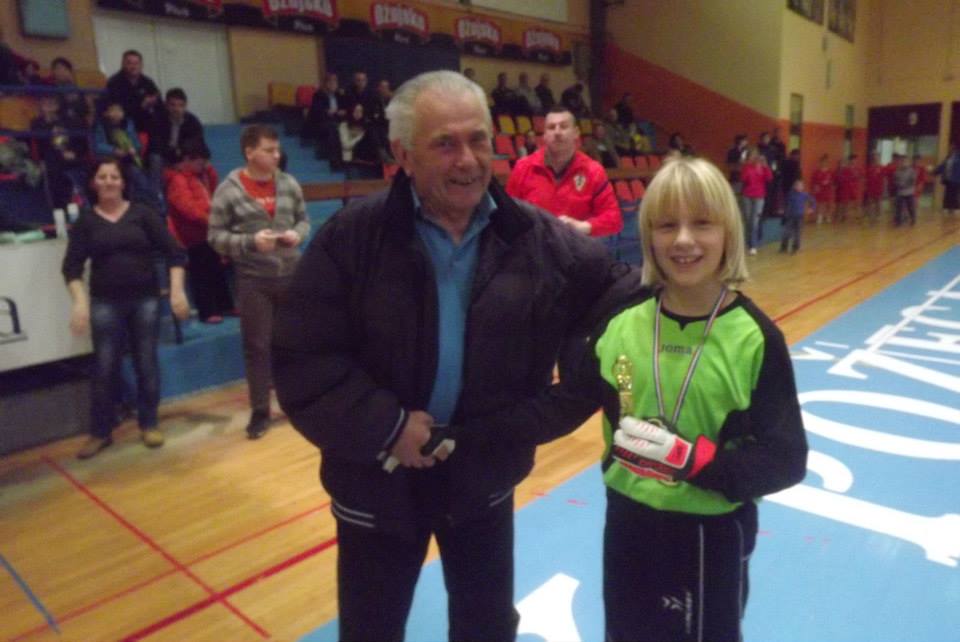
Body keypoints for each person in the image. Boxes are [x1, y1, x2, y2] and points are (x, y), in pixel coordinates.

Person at [271, 70, 618, 642]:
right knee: (371, 631)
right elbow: (303, 359)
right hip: (377, 480)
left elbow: (617, 292)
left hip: (481, 476)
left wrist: (561, 402)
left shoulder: (531, 235)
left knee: (487, 627)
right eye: (445, 144)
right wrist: (388, 427)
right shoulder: (351, 239)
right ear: (404, 155)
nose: (468, 160)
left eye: (478, 139)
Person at [566, 156, 807, 642]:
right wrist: (475, 435)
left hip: (709, 533)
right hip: (627, 520)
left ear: (728, 232)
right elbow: (567, 403)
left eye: (701, 223)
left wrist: (693, 462)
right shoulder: (621, 322)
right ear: (648, 235)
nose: (683, 240)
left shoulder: (755, 339)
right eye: (666, 225)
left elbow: (786, 460)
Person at [62, 158, 189, 459]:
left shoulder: (143, 215)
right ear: (93, 183)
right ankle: (100, 432)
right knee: (105, 367)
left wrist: (177, 291)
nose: (108, 181)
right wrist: (80, 303)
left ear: (123, 182)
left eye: (114, 176)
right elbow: (71, 268)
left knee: (146, 363)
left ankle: (149, 423)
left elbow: (175, 254)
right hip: (104, 303)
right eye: (102, 176)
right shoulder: (85, 222)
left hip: (145, 301)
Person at [208, 125, 309, 439]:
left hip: (291, 274)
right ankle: (260, 411)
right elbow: (215, 237)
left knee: (294, 343)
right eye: (269, 150)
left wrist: (297, 234)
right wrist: (250, 242)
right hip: (254, 280)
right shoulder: (228, 190)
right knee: (258, 347)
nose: (276, 155)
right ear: (249, 152)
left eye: (277, 150)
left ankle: (297, 402)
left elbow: (303, 220)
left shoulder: (288, 183)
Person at [506, 106, 622, 237]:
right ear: (544, 135)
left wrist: (583, 227)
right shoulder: (522, 168)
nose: (557, 132)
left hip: (577, 247)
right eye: (551, 127)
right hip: (534, 247)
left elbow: (614, 219)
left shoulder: (593, 171)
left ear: (576, 133)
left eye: (563, 126)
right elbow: (508, 215)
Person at [165, 138, 233, 323]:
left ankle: (225, 305)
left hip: (207, 232)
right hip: (192, 236)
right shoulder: (178, 180)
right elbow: (187, 208)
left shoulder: (200, 176)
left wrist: (208, 170)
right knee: (202, 274)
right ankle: (208, 310)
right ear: (187, 160)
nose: (203, 166)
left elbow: (214, 188)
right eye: (200, 162)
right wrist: (210, 220)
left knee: (217, 269)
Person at [30, 94, 87, 208]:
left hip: (72, 155)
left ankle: (77, 203)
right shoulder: (37, 122)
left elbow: (81, 141)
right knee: (53, 167)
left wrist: (74, 152)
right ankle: (59, 208)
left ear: (58, 104)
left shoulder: (69, 121)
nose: (48, 105)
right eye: (45, 102)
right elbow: (40, 144)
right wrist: (49, 122)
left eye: (52, 102)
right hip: (51, 158)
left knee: (77, 170)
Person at [147, 88, 205, 169]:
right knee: (155, 158)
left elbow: (198, 143)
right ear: (166, 105)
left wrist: (183, 155)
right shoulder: (157, 120)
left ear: (185, 106)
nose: (176, 109)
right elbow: (155, 145)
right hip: (164, 157)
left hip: (184, 157)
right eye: (172, 105)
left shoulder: (193, 122)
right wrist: (174, 153)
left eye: (181, 105)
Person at [105, 50, 161, 134]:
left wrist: (154, 100)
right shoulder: (114, 82)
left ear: (141, 65)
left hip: (147, 125)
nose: (133, 66)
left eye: (136, 63)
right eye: (129, 63)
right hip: (123, 127)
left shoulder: (147, 81)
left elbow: (157, 98)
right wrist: (141, 105)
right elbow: (115, 109)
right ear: (123, 64)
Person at [305, 72, 346, 168]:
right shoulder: (319, 95)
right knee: (333, 129)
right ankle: (334, 160)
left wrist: (341, 112)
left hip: (337, 120)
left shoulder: (339, 95)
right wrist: (328, 112)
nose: (333, 84)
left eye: (335, 82)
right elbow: (316, 112)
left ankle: (347, 160)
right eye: (331, 82)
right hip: (322, 122)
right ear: (326, 83)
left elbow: (343, 108)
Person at [739, 148, 772, 254]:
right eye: (751, 155)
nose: (754, 157)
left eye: (755, 155)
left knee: (754, 221)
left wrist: (765, 166)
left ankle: (753, 245)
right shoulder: (747, 167)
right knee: (748, 221)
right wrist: (746, 166)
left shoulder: (762, 166)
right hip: (747, 196)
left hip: (759, 196)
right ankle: (748, 243)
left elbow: (769, 178)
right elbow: (743, 179)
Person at [338, 103, 381, 178]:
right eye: (356, 111)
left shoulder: (365, 126)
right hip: (352, 157)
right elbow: (346, 145)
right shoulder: (344, 125)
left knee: (374, 131)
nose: (358, 113)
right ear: (351, 112)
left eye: (360, 111)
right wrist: (360, 136)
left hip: (366, 157)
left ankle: (380, 153)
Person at [49, 57, 90, 126]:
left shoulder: (80, 91)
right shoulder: (51, 89)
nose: (61, 72)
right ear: (53, 72)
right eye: (57, 69)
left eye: (64, 69)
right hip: (61, 126)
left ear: (70, 71)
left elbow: (87, 111)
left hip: (80, 126)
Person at [781, 178, 815, 253]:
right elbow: (785, 203)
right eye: (798, 186)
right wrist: (784, 210)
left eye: (801, 186)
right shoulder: (790, 194)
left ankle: (795, 247)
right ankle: (784, 247)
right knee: (786, 232)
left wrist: (811, 208)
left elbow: (812, 201)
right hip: (790, 216)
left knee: (797, 233)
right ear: (794, 187)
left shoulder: (804, 195)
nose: (799, 187)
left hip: (799, 217)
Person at [934, 142, 960, 216]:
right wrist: (935, 172)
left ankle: (954, 209)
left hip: (956, 180)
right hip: (948, 179)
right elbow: (942, 166)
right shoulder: (948, 157)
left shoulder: (958, 157)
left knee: (954, 194)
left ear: (954, 149)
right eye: (949, 148)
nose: (949, 149)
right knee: (948, 194)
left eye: (951, 148)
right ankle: (947, 208)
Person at [834, 154, 861, 222]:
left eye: (855, 160)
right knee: (846, 203)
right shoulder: (845, 169)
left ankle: (858, 216)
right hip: (847, 188)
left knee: (856, 202)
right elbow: (842, 178)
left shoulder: (857, 169)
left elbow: (860, 177)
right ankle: (845, 216)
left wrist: (857, 178)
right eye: (853, 160)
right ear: (850, 160)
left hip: (854, 188)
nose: (854, 161)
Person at [892, 153, 917, 226]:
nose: (903, 163)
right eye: (902, 161)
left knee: (910, 207)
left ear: (908, 162)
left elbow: (913, 181)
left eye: (905, 161)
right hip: (900, 192)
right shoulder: (897, 171)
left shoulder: (912, 171)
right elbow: (895, 180)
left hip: (909, 192)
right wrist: (898, 184)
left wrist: (905, 185)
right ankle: (898, 221)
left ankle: (913, 219)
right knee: (899, 208)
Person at [863, 152, 887, 224]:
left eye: (877, 157)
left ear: (879, 158)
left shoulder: (882, 168)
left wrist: (884, 188)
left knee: (878, 202)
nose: (875, 158)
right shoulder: (869, 168)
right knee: (870, 202)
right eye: (874, 157)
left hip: (879, 188)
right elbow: (866, 178)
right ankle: (871, 217)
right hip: (871, 188)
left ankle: (878, 216)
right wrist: (866, 187)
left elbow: (885, 179)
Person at [810, 153, 834, 224]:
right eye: (823, 162)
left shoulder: (830, 172)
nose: (824, 163)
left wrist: (829, 183)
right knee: (820, 204)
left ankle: (828, 217)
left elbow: (833, 181)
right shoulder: (817, 172)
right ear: (820, 162)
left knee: (828, 204)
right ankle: (819, 217)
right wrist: (815, 187)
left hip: (828, 190)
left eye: (826, 162)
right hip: (820, 190)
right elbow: (813, 182)